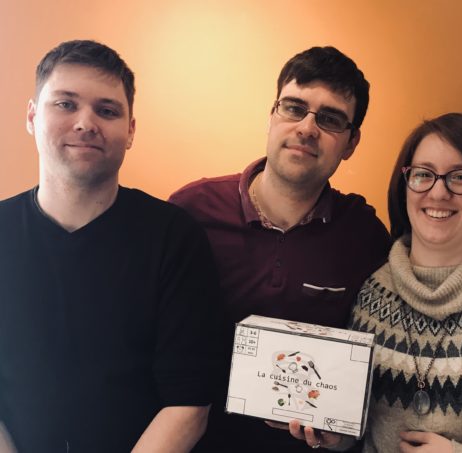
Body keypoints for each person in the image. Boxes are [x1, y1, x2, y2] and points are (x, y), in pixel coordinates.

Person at [0, 40, 220, 453]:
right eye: (65, 104)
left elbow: (189, 403)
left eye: (107, 110)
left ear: (131, 130)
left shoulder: (174, 238)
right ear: (32, 116)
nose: (86, 123)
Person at [169, 46, 391, 452]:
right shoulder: (190, 211)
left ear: (351, 142)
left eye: (330, 119)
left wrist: (343, 434)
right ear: (271, 115)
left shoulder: (365, 235)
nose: (307, 128)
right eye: (294, 108)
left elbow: (372, 373)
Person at [285, 113, 462, 452]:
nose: (438, 192)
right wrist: (337, 436)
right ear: (405, 186)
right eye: (423, 174)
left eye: (460, 177)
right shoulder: (371, 293)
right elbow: (361, 427)